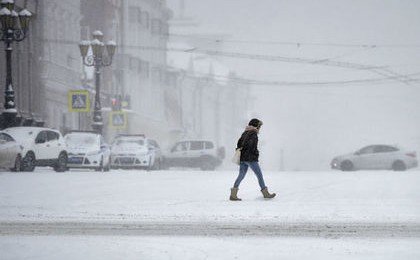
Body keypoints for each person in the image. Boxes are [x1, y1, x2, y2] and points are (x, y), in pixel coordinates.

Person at [230, 118, 276, 201]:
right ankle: (265, 193)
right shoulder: (253, 134)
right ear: (256, 126)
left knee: (241, 175)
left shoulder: (245, 133)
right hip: (250, 159)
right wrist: (256, 153)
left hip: (243, 158)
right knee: (259, 175)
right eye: (259, 126)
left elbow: (239, 143)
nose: (260, 128)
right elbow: (252, 146)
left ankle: (233, 194)